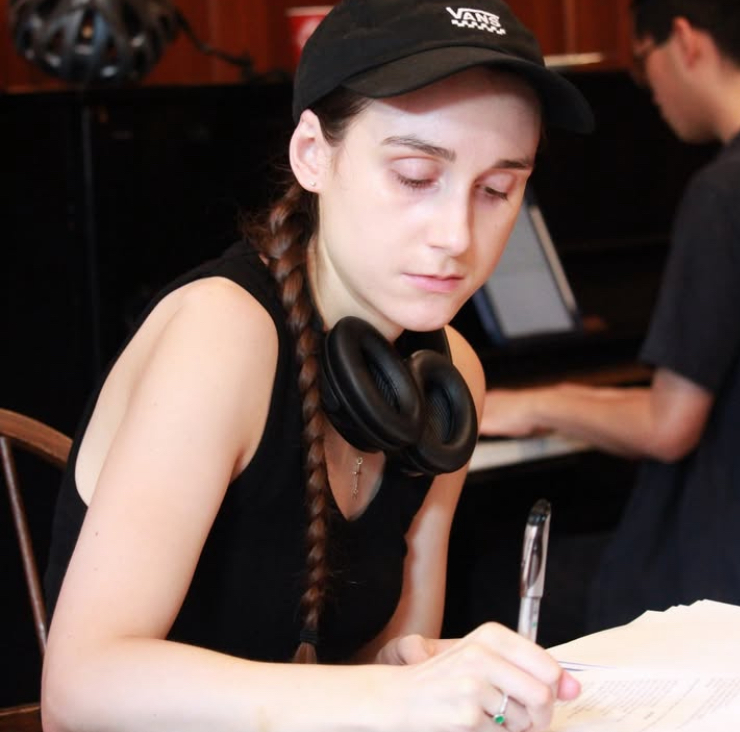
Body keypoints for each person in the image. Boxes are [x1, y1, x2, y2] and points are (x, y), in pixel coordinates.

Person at [40, 1, 593, 731]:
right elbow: (80, 690)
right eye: (415, 174)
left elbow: (378, 665)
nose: (457, 235)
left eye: (497, 191)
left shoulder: (449, 375)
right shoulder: (222, 333)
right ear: (313, 154)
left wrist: (425, 673)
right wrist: (393, 696)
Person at [481, 0, 740, 633]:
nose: (646, 88)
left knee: (488, 574)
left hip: (714, 580)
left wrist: (527, 404)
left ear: (684, 40)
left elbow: (668, 425)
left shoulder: (722, 194)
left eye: (640, 63)